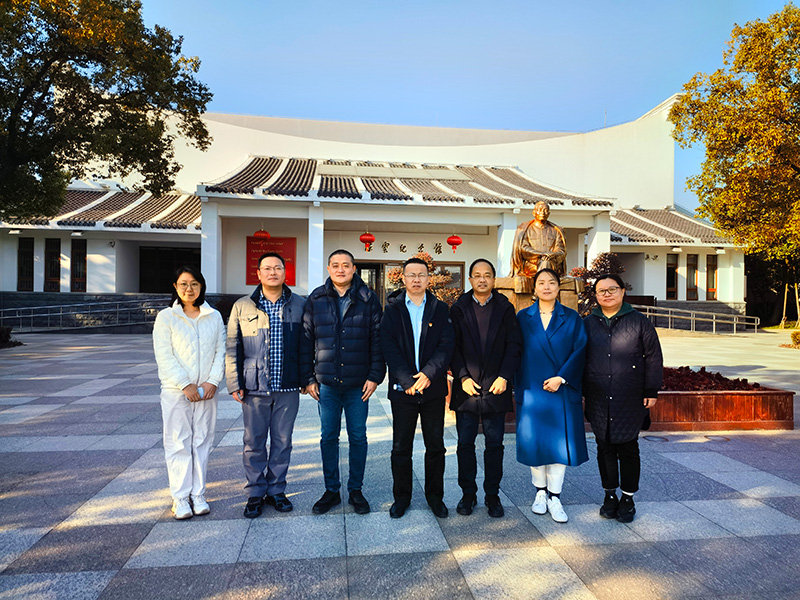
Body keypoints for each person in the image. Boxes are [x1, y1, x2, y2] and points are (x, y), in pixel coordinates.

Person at [300, 249, 384, 516]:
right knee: (328, 436)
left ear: (354, 269)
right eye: (335, 265)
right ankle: (332, 490)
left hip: (358, 384)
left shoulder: (368, 298)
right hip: (326, 384)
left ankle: (356, 490)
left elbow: (378, 340)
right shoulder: (316, 298)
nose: (340, 269)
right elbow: (306, 340)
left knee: (358, 436)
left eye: (346, 265)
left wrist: (374, 376)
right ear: (328, 269)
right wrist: (308, 378)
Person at [226, 252, 305, 518]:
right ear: (258, 273)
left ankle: (277, 490)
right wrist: (234, 382)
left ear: (285, 272)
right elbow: (232, 347)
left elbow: (307, 345)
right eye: (267, 268)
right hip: (254, 387)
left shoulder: (299, 304)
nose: (273, 272)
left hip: (288, 387)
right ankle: (255, 492)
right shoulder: (242, 306)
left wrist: (306, 378)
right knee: (254, 441)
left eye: (278, 268)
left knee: (283, 441)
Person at [583, 273, 663, 523]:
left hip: (630, 396)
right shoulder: (588, 323)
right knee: (604, 446)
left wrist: (651, 390)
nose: (607, 294)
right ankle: (609, 495)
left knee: (628, 447)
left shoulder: (639, 322)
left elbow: (653, 357)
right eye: (601, 291)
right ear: (596, 295)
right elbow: (579, 358)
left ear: (622, 291)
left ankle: (627, 498)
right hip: (598, 396)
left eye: (612, 289)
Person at [380, 257, 455, 519]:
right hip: (404, 391)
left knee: (435, 446)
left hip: (432, 389)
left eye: (421, 275)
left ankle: (435, 497)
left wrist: (429, 374)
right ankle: (401, 498)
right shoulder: (392, 310)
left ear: (428, 279)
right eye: (411, 275)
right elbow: (388, 346)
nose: (416, 279)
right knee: (401, 447)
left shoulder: (440, 308)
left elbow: (446, 345)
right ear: (403, 278)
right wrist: (407, 380)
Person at [449, 258, 522, 518]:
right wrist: (462, 377)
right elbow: (452, 347)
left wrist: (504, 377)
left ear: (493, 279)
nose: (482, 279)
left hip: (496, 386)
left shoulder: (505, 307)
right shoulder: (458, 308)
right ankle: (468, 494)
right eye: (477, 275)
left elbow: (514, 345)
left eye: (487, 275)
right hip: (466, 388)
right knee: (465, 444)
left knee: (494, 444)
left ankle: (493, 495)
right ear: (470, 279)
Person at [153, 266, 226, 520]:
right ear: (175, 287)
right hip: (176, 391)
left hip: (207, 391)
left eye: (194, 284)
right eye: (183, 284)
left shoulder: (213, 316)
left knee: (203, 440)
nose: (189, 289)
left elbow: (220, 351)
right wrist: (185, 384)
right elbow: (164, 355)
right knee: (178, 442)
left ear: (201, 286)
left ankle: (198, 494)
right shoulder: (166, 317)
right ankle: (180, 497)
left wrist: (213, 381)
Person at [516, 268, 588, 523]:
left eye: (551, 282)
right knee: (535, 444)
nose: (546, 287)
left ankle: (555, 496)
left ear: (559, 287)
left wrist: (562, 377)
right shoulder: (522, 317)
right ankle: (540, 492)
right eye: (541, 283)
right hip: (532, 390)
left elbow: (580, 350)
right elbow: (514, 352)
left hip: (561, 390)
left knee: (558, 446)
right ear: (534, 288)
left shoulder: (572, 317)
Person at [511, 201, 567, 277]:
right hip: (531, 265)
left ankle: (542, 281)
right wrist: (540, 254)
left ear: (548, 213)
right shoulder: (525, 229)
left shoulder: (556, 231)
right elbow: (523, 248)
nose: (542, 213)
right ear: (534, 213)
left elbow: (561, 250)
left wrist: (552, 254)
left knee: (546, 262)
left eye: (545, 210)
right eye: (540, 210)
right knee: (544, 262)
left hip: (552, 264)